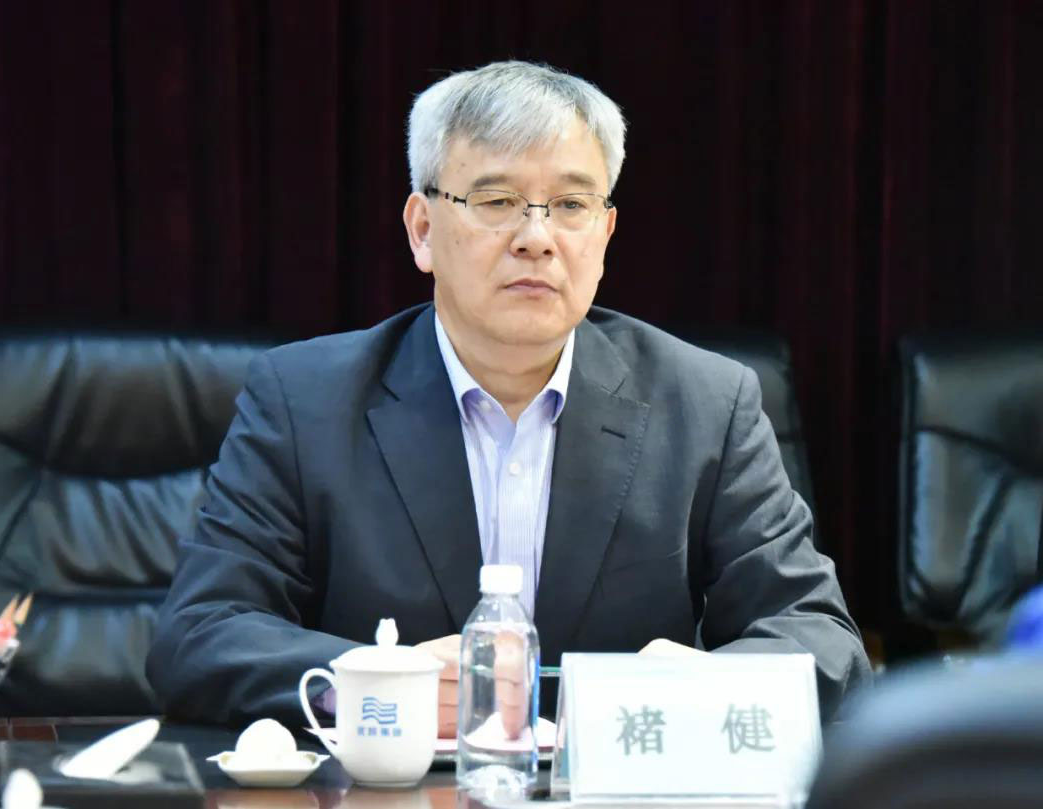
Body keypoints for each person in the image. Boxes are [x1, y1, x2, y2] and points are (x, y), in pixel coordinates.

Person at [147, 61, 870, 732]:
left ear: (605, 233)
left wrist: (709, 686)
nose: (537, 238)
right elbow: (198, 635)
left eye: (571, 205)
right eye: (497, 201)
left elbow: (824, 642)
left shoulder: (707, 404)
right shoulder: (305, 401)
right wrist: (373, 683)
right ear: (422, 230)